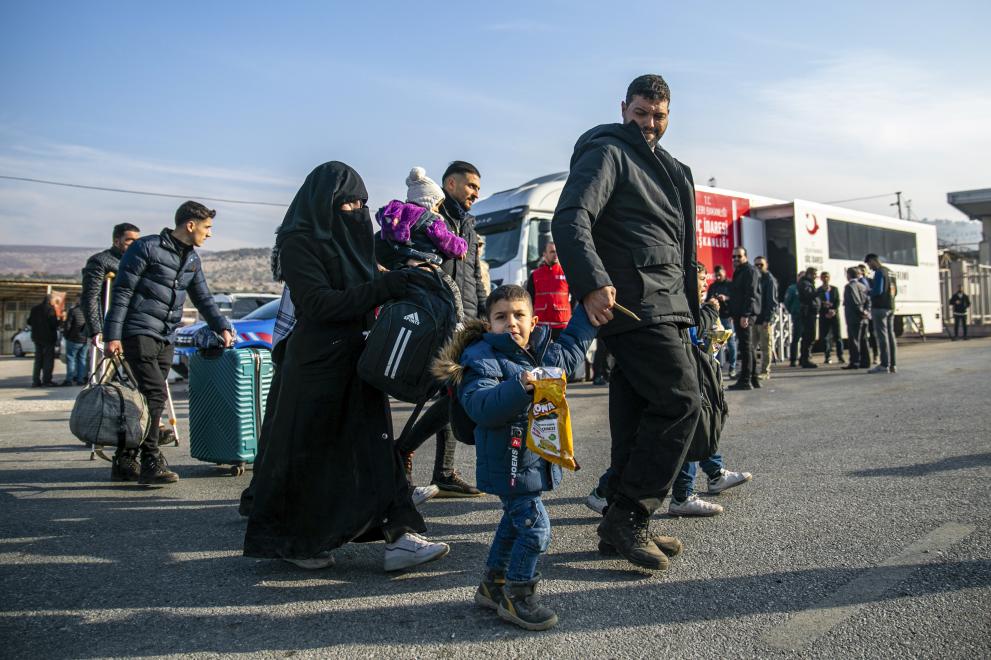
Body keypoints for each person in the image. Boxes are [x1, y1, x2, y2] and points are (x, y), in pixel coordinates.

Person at [244, 162, 449, 572]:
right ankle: (300, 541)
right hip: (316, 365)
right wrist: (385, 286)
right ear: (325, 203)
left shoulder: (353, 245)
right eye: (349, 202)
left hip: (358, 361)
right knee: (313, 457)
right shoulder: (299, 244)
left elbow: (373, 283)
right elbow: (318, 304)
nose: (357, 210)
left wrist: (409, 279)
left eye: (363, 203)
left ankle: (401, 535)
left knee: (375, 445)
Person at [552, 73, 701, 571]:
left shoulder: (666, 167)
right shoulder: (609, 153)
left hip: (665, 299)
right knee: (682, 402)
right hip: (635, 302)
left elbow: (676, 240)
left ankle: (618, 519)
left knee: (637, 415)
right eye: (641, 113)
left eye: (659, 116)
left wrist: (692, 285)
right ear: (623, 108)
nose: (650, 124)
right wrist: (591, 282)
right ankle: (631, 515)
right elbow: (570, 216)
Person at [433, 284, 594, 631]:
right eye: (501, 317)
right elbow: (481, 406)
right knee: (536, 530)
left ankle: (493, 586)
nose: (511, 323)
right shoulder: (481, 359)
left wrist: (591, 307)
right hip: (508, 463)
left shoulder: (542, 352)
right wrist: (519, 385)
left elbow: (575, 344)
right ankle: (518, 596)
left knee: (513, 524)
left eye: (519, 315)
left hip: (529, 461)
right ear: (489, 323)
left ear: (533, 321)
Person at [104, 201, 233, 485]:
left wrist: (222, 326)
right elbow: (123, 291)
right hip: (138, 331)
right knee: (155, 394)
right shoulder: (147, 248)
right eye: (207, 227)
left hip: (165, 336)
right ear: (190, 225)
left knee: (149, 400)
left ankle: (124, 461)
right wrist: (112, 335)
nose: (209, 234)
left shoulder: (192, 260)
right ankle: (151, 461)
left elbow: (203, 298)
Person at [396, 161, 487, 498]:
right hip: (441, 318)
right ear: (451, 183)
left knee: (454, 391)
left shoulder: (468, 224)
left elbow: (474, 275)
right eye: (471, 186)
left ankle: (443, 471)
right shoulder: (430, 218)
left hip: (467, 320)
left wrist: (484, 314)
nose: (476, 194)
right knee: (453, 392)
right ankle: (405, 448)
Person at [670, 265, 751, 516]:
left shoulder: (690, 302)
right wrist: (709, 310)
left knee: (700, 427)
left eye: (707, 280)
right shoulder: (683, 303)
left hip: (695, 373)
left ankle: (714, 474)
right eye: (702, 280)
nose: (706, 284)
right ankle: (683, 495)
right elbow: (687, 334)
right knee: (691, 430)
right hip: (683, 377)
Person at [81, 223, 141, 347]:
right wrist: (96, 330)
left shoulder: (138, 263)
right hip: (107, 328)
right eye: (130, 240)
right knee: (103, 365)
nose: (134, 244)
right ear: (117, 241)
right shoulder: (100, 261)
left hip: (131, 328)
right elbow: (91, 296)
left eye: (137, 240)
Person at [727, 246, 761, 391]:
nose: (735, 259)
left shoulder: (749, 271)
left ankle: (745, 380)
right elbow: (738, 294)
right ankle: (753, 378)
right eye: (734, 257)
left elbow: (751, 294)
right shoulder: (739, 271)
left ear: (745, 257)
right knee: (748, 347)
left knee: (746, 347)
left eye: (738, 256)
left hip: (745, 315)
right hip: (739, 314)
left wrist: (745, 314)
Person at [526, 241, 572, 340]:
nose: (555, 254)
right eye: (552, 252)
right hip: (541, 327)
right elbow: (529, 300)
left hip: (562, 326)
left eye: (557, 252)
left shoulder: (566, 273)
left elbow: (576, 297)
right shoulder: (535, 275)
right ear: (544, 254)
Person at [865, 253, 897, 374]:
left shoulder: (879, 272)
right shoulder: (890, 272)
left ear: (873, 261)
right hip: (890, 306)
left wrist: (868, 292)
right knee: (891, 335)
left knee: (882, 336)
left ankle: (884, 364)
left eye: (869, 263)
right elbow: (895, 291)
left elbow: (878, 290)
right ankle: (893, 364)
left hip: (879, 307)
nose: (869, 267)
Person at [706, 264, 737, 378]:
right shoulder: (713, 286)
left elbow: (736, 299)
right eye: (716, 275)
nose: (718, 277)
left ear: (724, 272)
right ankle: (717, 367)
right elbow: (707, 300)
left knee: (731, 343)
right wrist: (712, 300)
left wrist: (726, 298)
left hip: (728, 317)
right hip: (716, 318)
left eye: (720, 275)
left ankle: (732, 367)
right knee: (717, 344)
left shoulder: (730, 285)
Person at [842, 267, 871, 370]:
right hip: (864, 318)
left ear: (848, 275)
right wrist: (866, 312)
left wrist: (861, 312)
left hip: (854, 317)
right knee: (864, 340)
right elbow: (868, 300)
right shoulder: (863, 286)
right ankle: (866, 361)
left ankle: (855, 362)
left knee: (854, 340)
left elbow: (854, 302)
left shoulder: (849, 287)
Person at [754, 256, 778, 380]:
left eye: (761, 264)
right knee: (750, 348)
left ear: (766, 265)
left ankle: (765, 371)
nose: (758, 267)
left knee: (765, 347)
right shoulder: (755, 278)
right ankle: (751, 371)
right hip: (754, 319)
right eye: (756, 264)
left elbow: (772, 302)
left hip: (764, 320)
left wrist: (768, 319)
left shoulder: (769, 280)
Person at [28, 294, 59, 387]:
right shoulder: (50, 310)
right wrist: (60, 321)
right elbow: (54, 324)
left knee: (38, 360)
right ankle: (47, 380)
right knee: (48, 360)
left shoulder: (35, 309)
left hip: (37, 338)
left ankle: (35, 381)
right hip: (48, 339)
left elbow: (29, 322)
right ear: (50, 301)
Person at [817, 271, 844, 364]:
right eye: (823, 277)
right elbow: (818, 303)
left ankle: (840, 356)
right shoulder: (818, 290)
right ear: (821, 278)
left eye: (827, 277)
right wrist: (825, 311)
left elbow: (837, 301)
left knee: (838, 336)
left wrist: (834, 310)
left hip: (834, 315)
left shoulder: (834, 289)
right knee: (825, 337)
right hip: (824, 316)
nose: (825, 279)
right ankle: (827, 356)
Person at [797, 267, 821, 368]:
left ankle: (804, 358)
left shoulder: (807, 283)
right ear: (810, 274)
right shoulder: (805, 283)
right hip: (808, 312)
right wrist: (819, 291)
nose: (816, 276)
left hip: (810, 311)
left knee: (808, 336)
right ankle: (805, 359)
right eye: (815, 274)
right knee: (809, 336)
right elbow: (808, 295)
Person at [61, 302, 88, 385]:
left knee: (71, 359)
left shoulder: (73, 311)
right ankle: (80, 380)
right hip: (85, 340)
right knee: (82, 359)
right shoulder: (88, 310)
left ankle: (69, 379)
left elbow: (68, 325)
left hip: (73, 339)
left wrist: (66, 336)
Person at [858, 264, 879, 364]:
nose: (862, 271)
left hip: (871, 310)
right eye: (860, 270)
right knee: (862, 335)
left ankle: (876, 355)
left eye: (863, 269)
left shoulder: (871, 281)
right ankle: (863, 357)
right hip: (861, 311)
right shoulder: (857, 282)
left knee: (873, 334)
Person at [784, 273, 803, 367]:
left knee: (807, 338)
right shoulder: (793, 288)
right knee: (796, 337)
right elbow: (787, 302)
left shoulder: (809, 287)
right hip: (798, 315)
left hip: (807, 316)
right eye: (801, 276)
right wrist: (793, 311)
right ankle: (793, 359)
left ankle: (804, 358)